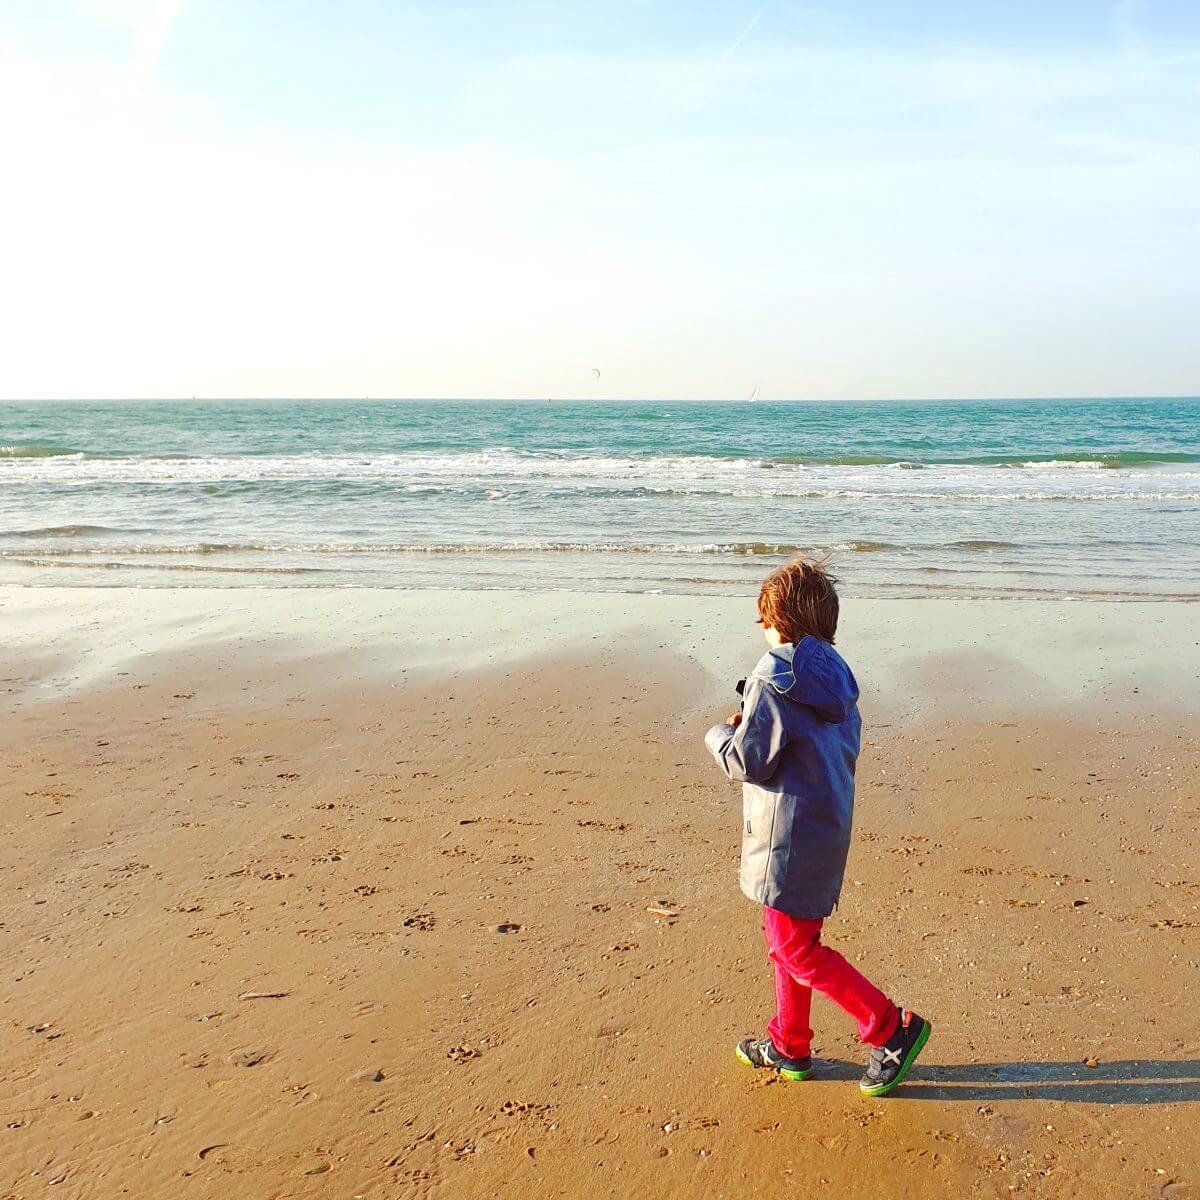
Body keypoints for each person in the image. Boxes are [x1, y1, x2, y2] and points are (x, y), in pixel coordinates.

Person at [704, 557, 930, 1096]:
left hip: (785, 837)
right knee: (786, 939)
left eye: (765, 621)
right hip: (826, 827)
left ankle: (889, 1026)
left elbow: (749, 761)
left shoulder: (771, 676)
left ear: (777, 621)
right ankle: (790, 1042)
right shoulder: (838, 682)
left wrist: (720, 732)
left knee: (795, 948)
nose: (764, 632)